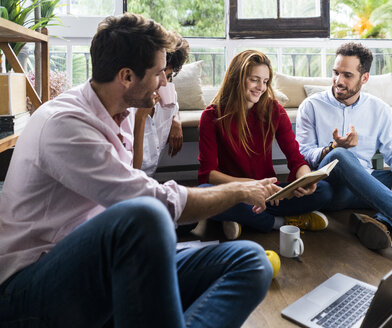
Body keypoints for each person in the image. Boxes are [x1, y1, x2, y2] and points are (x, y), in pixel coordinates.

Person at [0, 14, 275, 328]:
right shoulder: (65, 124)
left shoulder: (122, 112)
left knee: (250, 261)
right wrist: (240, 189)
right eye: (159, 73)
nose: (163, 82)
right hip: (30, 286)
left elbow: (131, 185)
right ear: (127, 77)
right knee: (146, 214)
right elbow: (148, 201)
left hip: (103, 269)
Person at [296, 42, 392, 250]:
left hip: (366, 185)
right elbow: (303, 154)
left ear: (364, 78)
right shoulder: (311, 106)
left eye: (347, 75)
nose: (338, 81)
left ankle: (382, 223)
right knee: (340, 154)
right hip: (328, 187)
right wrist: (331, 148)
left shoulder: (378, 108)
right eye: (335, 73)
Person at [198, 49, 331, 240]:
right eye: (254, 79)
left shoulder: (274, 110)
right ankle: (282, 223)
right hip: (235, 192)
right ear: (237, 78)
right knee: (203, 196)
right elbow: (208, 174)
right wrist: (253, 186)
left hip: (270, 196)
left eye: (265, 81)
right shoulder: (211, 116)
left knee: (324, 191)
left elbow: (296, 158)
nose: (261, 87)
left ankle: (245, 219)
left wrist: (307, 179)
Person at [131, 30, 188, 176]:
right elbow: (132, 174)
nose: (164, 83)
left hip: (151, 180)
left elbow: (174, 106)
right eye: (158, 75)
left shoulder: (169, 95)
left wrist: (176, 120)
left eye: (169, 76)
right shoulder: (127, 109)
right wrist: (141, 116)